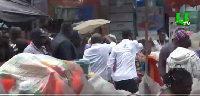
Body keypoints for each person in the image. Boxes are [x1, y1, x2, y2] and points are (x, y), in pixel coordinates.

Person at [107, 29, 143, 93]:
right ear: (131, 36)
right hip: (130, 77)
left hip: (118, 79)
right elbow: (141, 46)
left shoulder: (115, 47)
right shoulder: (133, 44)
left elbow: (109, 66)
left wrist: (112, 77)